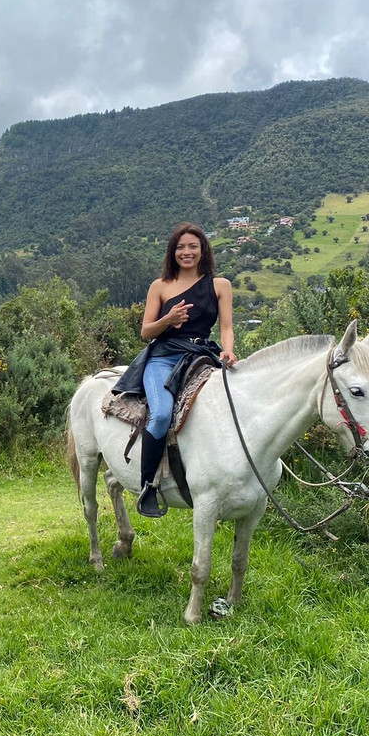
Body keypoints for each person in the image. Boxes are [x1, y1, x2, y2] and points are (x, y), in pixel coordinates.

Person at [114, 222, 237, 518]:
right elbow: (146, 331)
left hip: (201, 356)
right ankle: (148, 487)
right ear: (173, 252)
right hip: (163, 358)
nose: (187, 252)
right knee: (161, 416)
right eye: (181, 247)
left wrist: (229, 349)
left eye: (193, 246)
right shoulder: (160, 286)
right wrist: (168, 319)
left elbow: (226, 327)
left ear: (203, 250)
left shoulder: (220, 285)